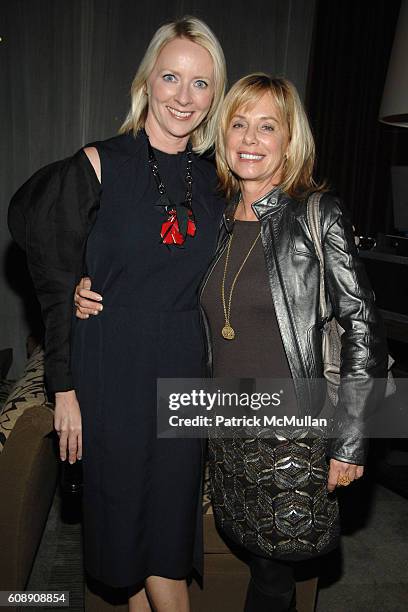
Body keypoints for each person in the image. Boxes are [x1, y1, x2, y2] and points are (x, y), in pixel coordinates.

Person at [75, 74, 388, 612]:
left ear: (291, 139)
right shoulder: (215, 214)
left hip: (293, 432)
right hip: (224, 427)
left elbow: (363, 327)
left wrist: (352, 438)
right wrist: (89, 286)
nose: (250, 138)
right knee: (246, 550)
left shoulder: (316, 213)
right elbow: (154, 272)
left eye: (268, 127)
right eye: (239, 123)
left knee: (272, 574)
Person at [8, 16, 227, 612]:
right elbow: (42, 249)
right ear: (147, 82)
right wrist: (65, 385)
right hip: (113, 362)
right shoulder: (100, 163)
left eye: (200, 83)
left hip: (184, 368)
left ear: (214, 95)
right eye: (171, 78)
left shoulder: (220, 181)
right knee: (125, 542)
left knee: (166, 541)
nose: (184, 97)